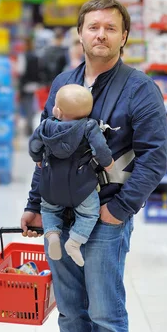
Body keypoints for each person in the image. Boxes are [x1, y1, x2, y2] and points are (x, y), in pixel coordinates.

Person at [21, 0, 167, 332]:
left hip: (104, 214)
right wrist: (34, 205)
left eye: (109, 27)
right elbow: (46, 152)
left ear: (124, 36)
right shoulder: (63, 83)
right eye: (92, 27)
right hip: (60, 214)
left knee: (104, 308)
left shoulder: (140, 89)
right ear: (80, 33)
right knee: (70, 308)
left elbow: (155, 157)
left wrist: (121, 208)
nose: (100, 34)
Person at [28, 83, 114, 267]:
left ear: (57, 112)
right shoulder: (89, 127)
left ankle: (52, 235)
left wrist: (37, 158)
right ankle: (74, 242)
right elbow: (100, 148)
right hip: (81, 187)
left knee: (49, 210)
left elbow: (34, 145)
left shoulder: (45, 126)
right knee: (90, 214)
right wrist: (108, 163)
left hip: (51, 185)